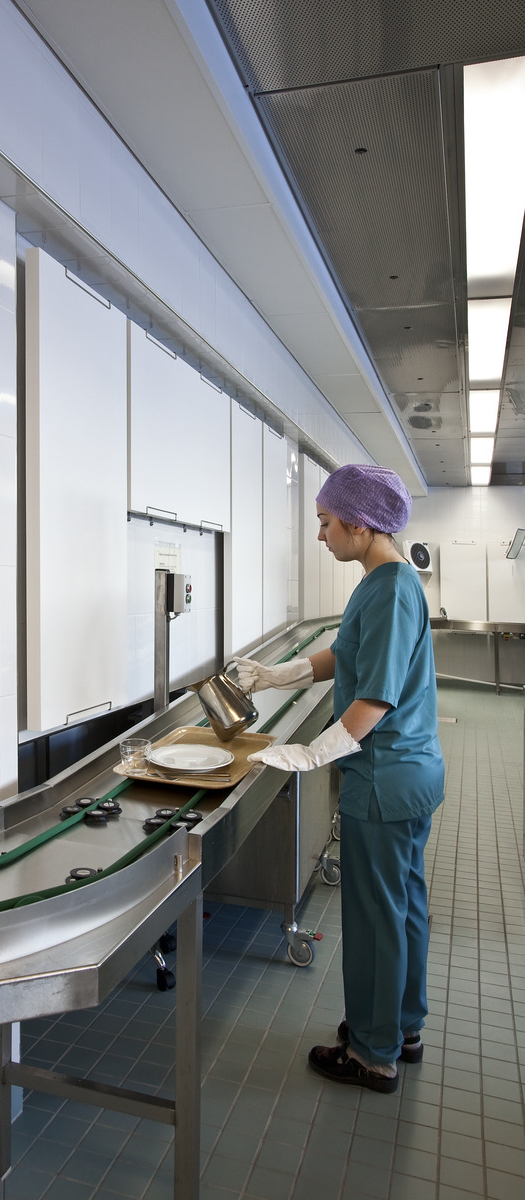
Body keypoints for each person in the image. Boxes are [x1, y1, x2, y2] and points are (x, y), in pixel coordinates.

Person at [235, 463, 444, 1095]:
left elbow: (372, 701)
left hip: (383, 783)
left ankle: (372, 1055)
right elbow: (346, 655)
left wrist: (307, 755)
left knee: (377, 916)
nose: (321, 536)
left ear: (358, 523)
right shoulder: (383, 583)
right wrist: (279, 674)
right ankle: (402, 1026)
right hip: (408, 777)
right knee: (402, 906)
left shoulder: (391, 588)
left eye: (326, 524)